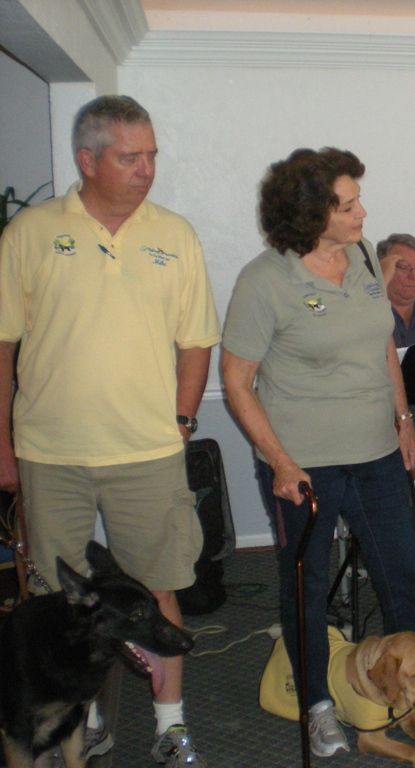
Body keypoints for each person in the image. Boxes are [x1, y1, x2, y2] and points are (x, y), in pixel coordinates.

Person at [220, 147, 415, 758]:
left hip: (378, 453)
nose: (363, 212)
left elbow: (383, 343)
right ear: (310, 214)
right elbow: (235, 381)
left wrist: (403, 417)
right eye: (348, 203)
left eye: (359, 199)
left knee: (400, 581)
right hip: (303, 464)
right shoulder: (265, 281)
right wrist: (280, 462)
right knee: (305, 588)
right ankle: (317, 706)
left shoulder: (360, 255)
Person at [0, 95, 219, 766]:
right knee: (53, 604)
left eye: (151, 154)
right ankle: (81, 721)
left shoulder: (174, 235)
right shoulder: (31, 233)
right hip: (50, 453)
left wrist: (181, 422)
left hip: (148, 454)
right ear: (86, 159)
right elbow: (3, 346)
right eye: (130, 157)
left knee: (159, 590)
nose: (146, 169)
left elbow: (195, 343)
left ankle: (171, 724)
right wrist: (3, 446)